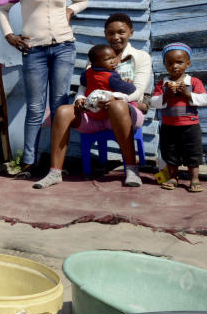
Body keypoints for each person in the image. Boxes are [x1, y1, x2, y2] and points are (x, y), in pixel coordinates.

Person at [0, 0, 89, 178]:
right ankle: (28, 163)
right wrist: (9, 36)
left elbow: (84, 0)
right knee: (36, 108)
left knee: (60, 107)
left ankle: (55, 166)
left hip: (64, 47)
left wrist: (71, 9)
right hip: (34, 51)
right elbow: (3, 9)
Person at [33, 13, 153, 189]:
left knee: (118, 106)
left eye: (121, 32)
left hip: (126, 113)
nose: (116, 37)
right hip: (95, 115)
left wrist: (117, 97)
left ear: (131, 33)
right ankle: (55, 172)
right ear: (105, 34)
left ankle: (132, 169)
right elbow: (85, 85)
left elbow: (138, 91)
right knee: (63, 111)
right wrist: (80, 99)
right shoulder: (97, 55)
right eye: (111, 33)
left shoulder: (141, 57)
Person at [151, 42, 207, 193]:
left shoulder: (193, 82)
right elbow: (154, 102)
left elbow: (203, 99)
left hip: (190, 126)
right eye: (170, 63)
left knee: (192, 153)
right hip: (169, 126)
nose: (174, 66)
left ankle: (194, 179)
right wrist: (166, 95)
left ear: (188, 64)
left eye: (179, 62)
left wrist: (188, 94)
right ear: (164, 64)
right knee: (170, 153)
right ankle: (173, 177)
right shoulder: (163, 84)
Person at [81, 44, 137, 115]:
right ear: (95, 63)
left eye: (114, 57)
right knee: (133, 104)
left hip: (90, 109)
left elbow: (83, 82)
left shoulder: (87, 72)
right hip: (106, 110)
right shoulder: (111, 77)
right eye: (108, 59)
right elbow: (128, 90)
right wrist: (131, 85)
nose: (113, 61)